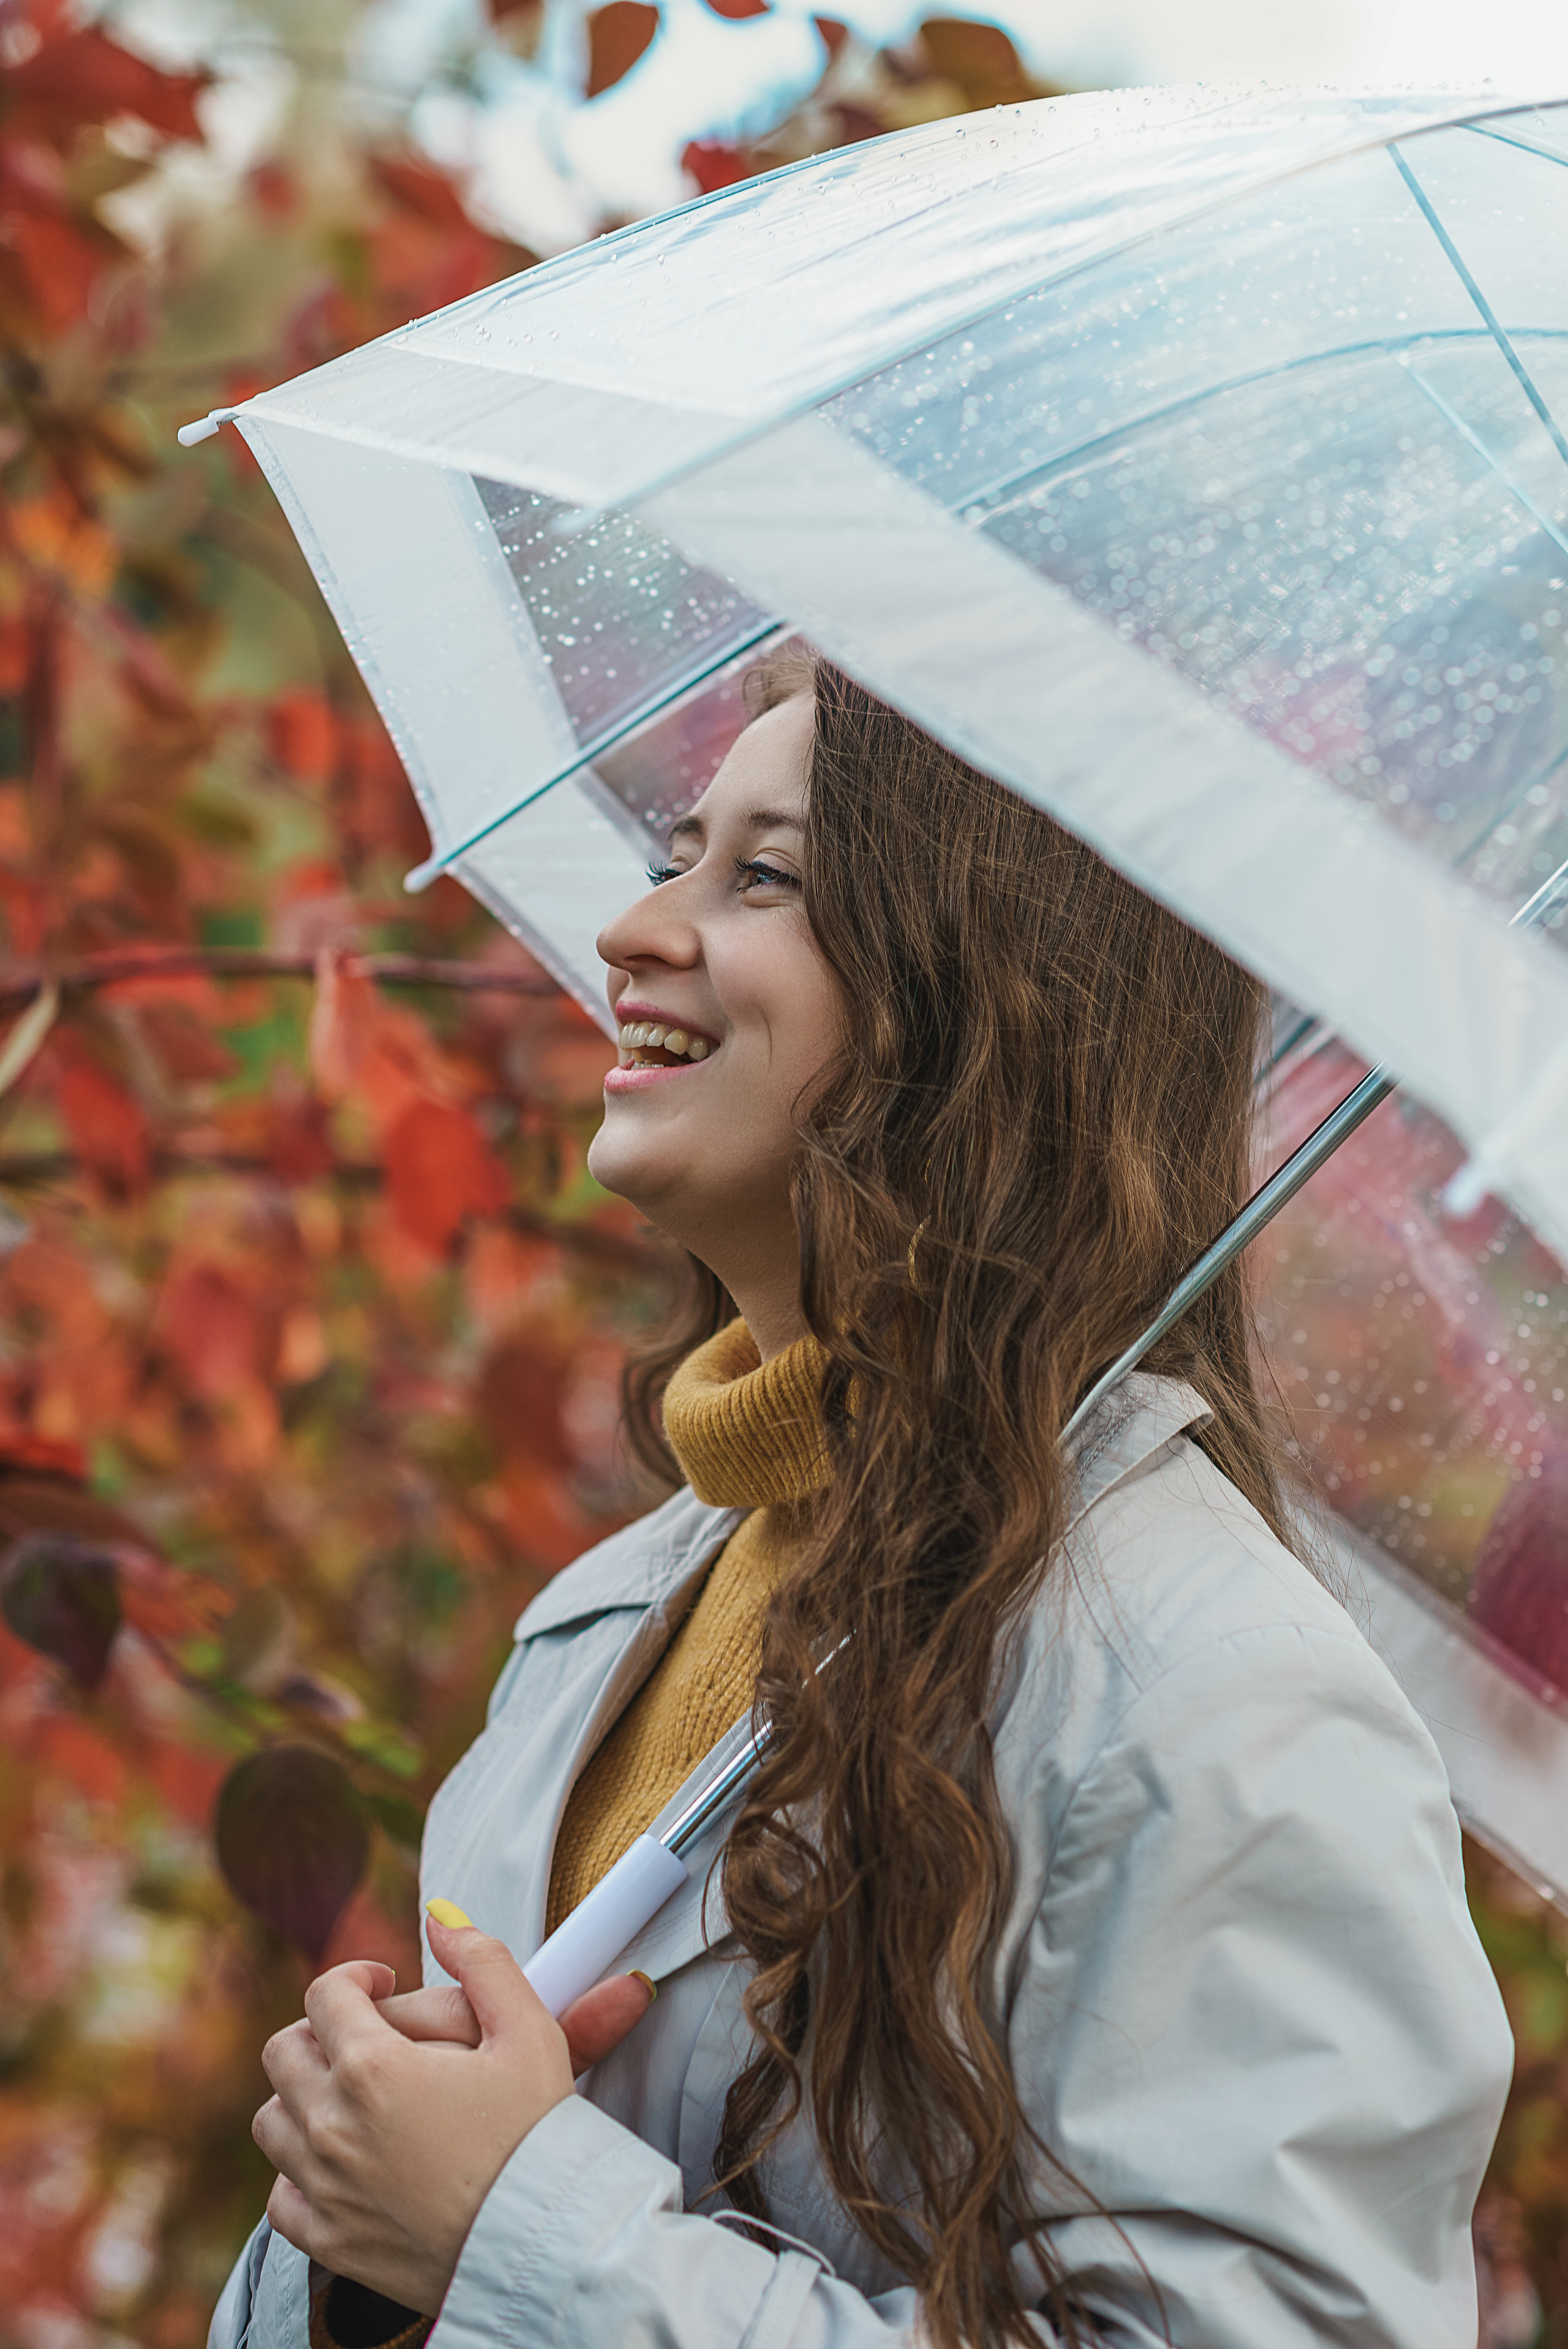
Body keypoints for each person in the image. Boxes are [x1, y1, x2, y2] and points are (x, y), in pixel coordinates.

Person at [211, 654, 1512, 2349]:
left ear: (981, 994)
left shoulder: (1214, 1688)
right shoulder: (614, 1611)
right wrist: (353, 2216)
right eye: (680, 850)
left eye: (761, 877)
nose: (637, 928)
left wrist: (518, 2222)